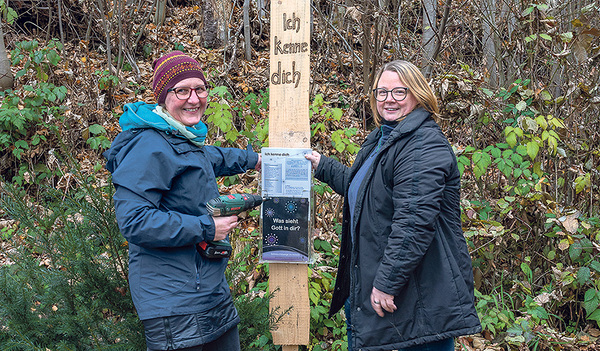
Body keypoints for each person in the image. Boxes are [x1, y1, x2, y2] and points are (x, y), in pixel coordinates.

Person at [305, 60, 481, 350]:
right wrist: (322, 165)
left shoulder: (422, 144)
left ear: (418, 95)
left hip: (414, 303)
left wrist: (386, 282)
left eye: (399, 92)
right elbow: (367, 193)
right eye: (381, 92)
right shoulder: (385, 137)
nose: (389, 100)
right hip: (386, 299)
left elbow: (413, 223)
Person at [104, 51, 261, 351]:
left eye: (199, 89)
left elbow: (206, 158)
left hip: (209, 291)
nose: (193, 98)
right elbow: (134, 221)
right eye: (182, 91)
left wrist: (254, 160)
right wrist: (206, 228)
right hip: (173, 302)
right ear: (164, 96)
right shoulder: (148, 145)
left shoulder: (181, 137)